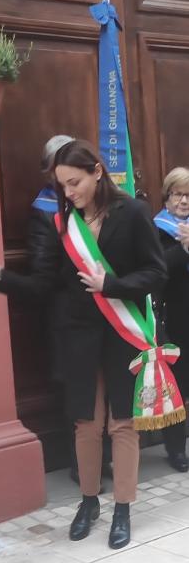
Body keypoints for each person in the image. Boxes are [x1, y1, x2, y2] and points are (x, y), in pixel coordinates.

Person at [0, 139, 167, 550]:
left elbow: (156, 272)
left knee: (122, 423)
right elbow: (44, 284)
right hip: (77, 337)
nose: (69, 193)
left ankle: (122, 507)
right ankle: (88, 502)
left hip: (123, 335)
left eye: (74, 183)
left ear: (97, 172)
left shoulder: (133, 212)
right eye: (63, 186)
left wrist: (112, 285)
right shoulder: (64, 224)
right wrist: (0, 278)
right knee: (85, 423)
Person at [31, 136, 112, 486]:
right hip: (68, 315)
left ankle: (107, 460)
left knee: (108, 390)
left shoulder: (101, 206)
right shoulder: (44, 209)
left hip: (107, 312)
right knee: (77, 393)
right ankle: (83, 466)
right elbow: (41, 270)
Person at [154, 167, 189, 472]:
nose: (184, 201)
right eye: (178, 194)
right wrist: (184, 248)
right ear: (167, 197)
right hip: (174, 320)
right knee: (177, 387)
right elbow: (158, 272)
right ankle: (176, 448)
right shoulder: (157, 229)